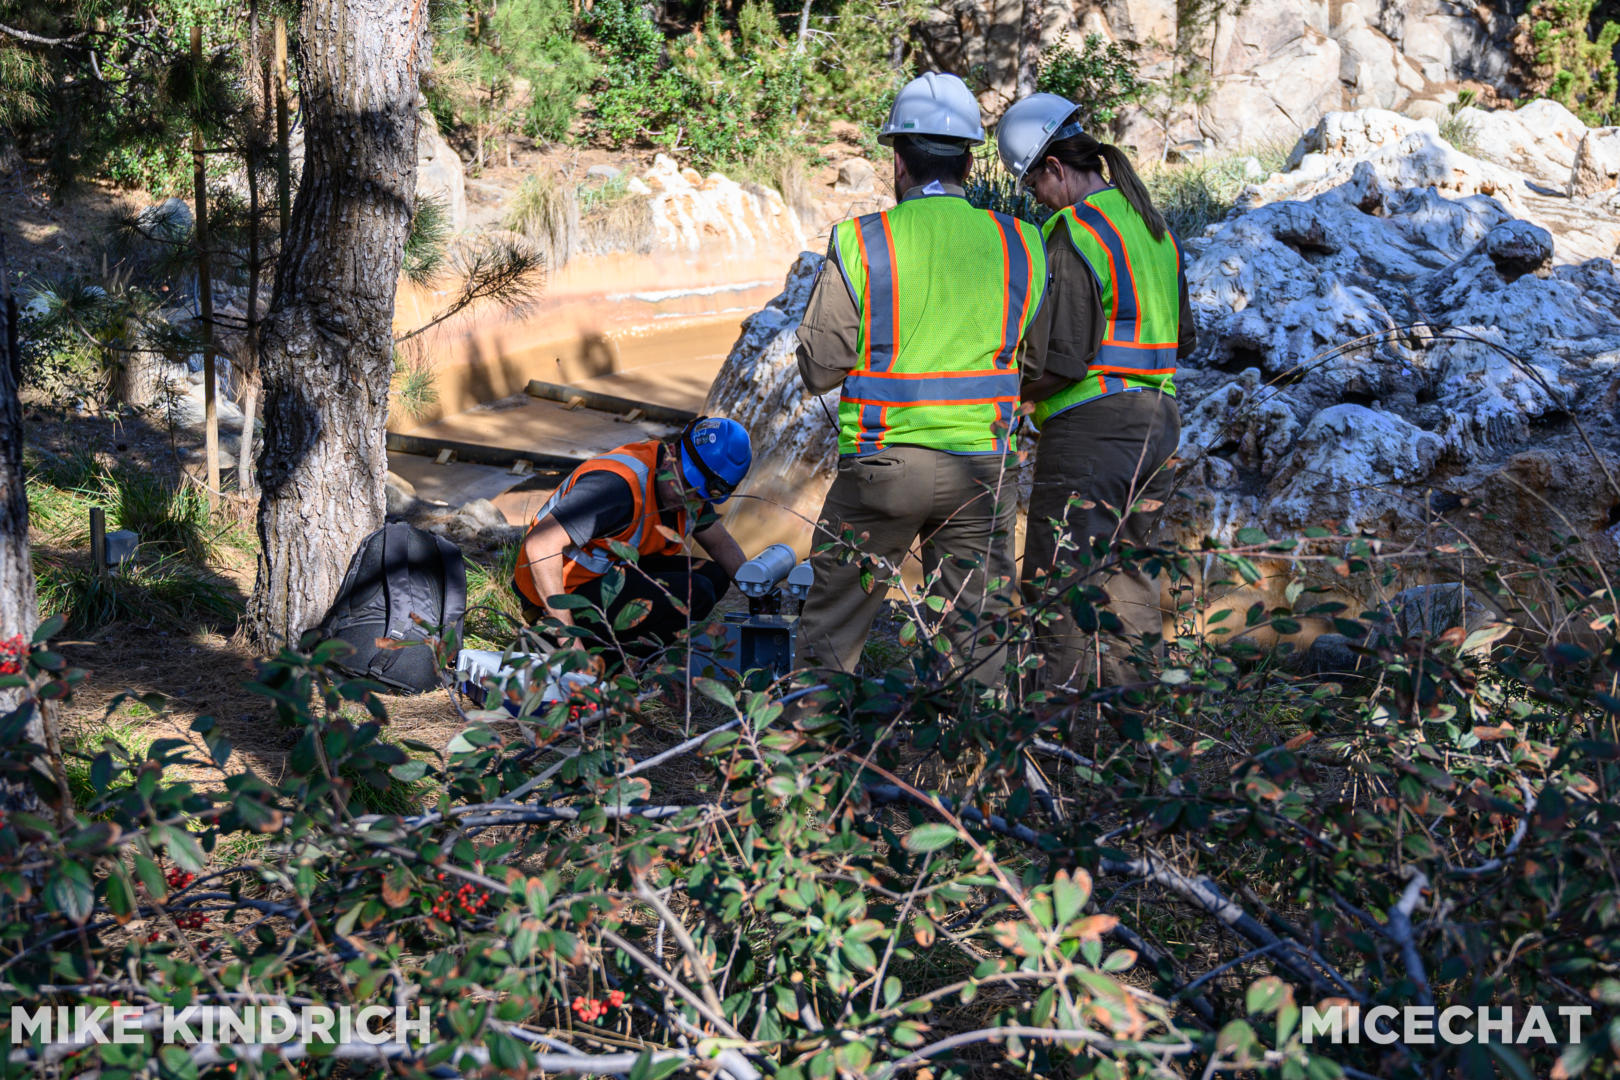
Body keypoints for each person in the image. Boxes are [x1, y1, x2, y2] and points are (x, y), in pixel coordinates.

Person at [794, 71, 1051, 684]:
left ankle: (807, 765)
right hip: (982, 472)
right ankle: (976, 767)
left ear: (899, 163)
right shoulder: (1023, 243)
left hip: (882, 469)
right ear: (969, 160)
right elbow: (1037, 365)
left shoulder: (862, 241)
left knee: (834, 623)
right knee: (979, 632)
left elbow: (821, 366)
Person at [996, 92, 1199, 690]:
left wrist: (1013, 394)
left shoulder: (1072, 230)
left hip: (1094, 429)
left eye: (1034, 185)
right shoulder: (1150, 225)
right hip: (1159, 423)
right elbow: (1183, 336)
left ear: (1055, 168)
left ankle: (1057, 735)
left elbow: (1062, 357)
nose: (1035, 199)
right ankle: (1130, 728)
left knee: (1060, 582)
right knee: (1128, 575)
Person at [513, 416, 751, 657]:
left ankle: (625, 658)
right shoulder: (617, 487)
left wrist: (758, 592)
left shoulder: (688, 489)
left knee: (714, 577)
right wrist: (569, 643)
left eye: (700, 496)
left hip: (603, 576)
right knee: (697, 592)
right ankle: (602, 660)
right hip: (553, 595)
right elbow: (540, 546)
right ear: (672, 454)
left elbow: (721, 544)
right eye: (687, 485)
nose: (689, 501)